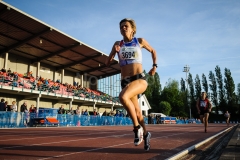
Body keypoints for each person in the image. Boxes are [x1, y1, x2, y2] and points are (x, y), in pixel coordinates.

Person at [105, 18, 157, 151]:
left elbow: (153, 51)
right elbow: (107, 63)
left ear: (132, 29)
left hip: (139, 79)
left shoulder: (139, 41)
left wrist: (154, 67)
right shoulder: (118, 43)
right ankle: (146, 134)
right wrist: (113, 53)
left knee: (122, 97)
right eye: (121, 26)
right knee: (138, 114)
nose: (123, 28)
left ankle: (136, 129)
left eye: (125, 26)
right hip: (126, 82)